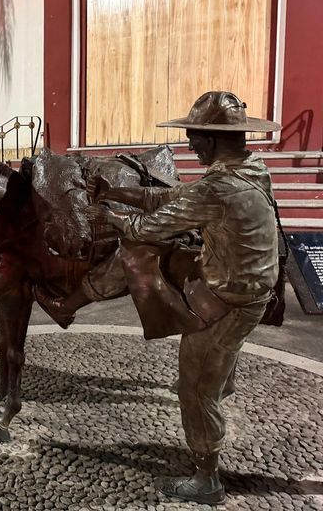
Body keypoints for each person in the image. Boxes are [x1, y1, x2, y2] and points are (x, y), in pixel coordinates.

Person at [56, 91, 281, 505]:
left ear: (210, 140)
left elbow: (147, 228)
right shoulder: (252, 169)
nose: (190, 146)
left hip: (229, 300)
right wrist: (116, 192)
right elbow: (175, 197)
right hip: (252, 289)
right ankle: (222, 378)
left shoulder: (220, 187)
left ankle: (207, 479)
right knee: (211, 354)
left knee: (194, 390)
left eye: (193, 137)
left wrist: (108, 217)